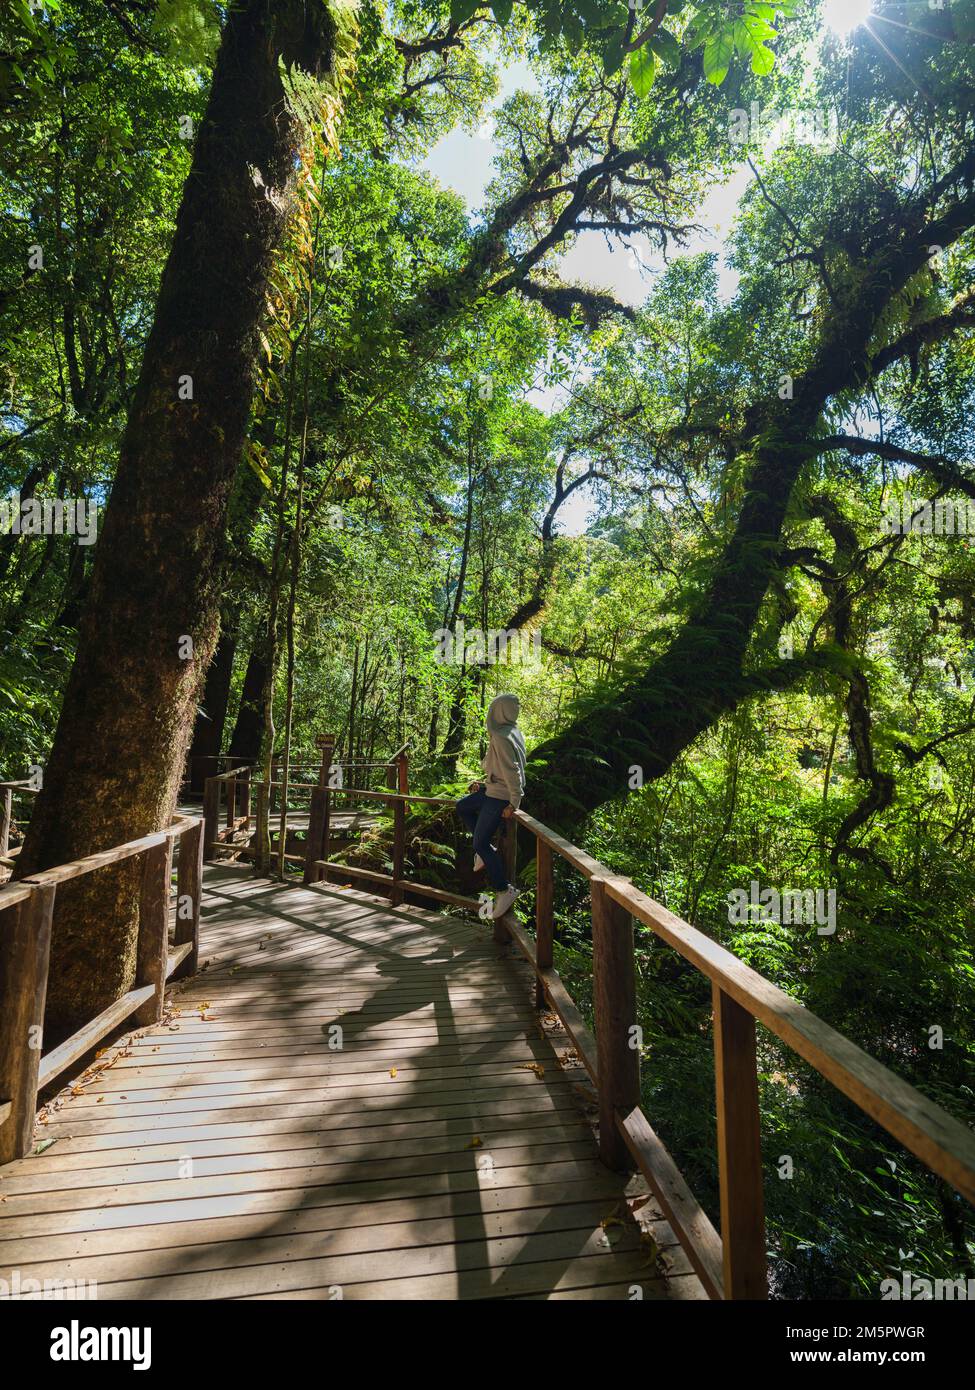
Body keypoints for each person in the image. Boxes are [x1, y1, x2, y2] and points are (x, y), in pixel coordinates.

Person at [457, 693, 526, 919]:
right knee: (463, 807)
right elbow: (499, 768)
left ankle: (504, 889)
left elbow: (512, 770)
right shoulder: (513, 732)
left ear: (498, 711)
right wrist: (483, 782)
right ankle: (486, 852)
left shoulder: (502, 736)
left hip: (500, 797)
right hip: (492, 790)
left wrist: (514, 802)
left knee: (479, 842)